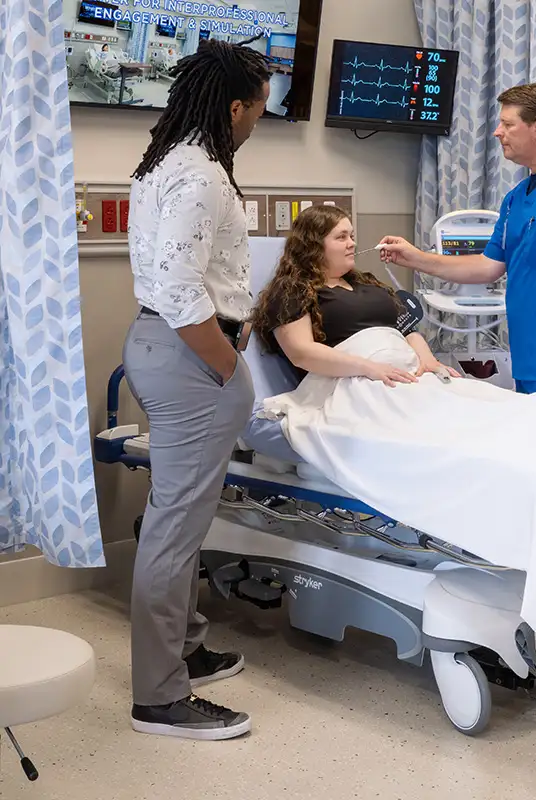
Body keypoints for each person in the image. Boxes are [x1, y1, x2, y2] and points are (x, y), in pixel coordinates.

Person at [122, 38, 271, 741]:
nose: (257, 122)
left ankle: (185, 647)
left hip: (166, 350)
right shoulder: (203, 175)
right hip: (188, 360)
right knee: (174, 532)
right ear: (235, 106)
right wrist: (224, 365)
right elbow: (183, 291)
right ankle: (159, 696)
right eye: (259, 109)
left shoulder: (164, 163)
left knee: (177, 520)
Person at [379, 82, 536, 394]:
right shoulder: (516, 198)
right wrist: (415, 258)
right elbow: (489, 267)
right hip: (532, 357)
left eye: (508, 124)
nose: (497, 132)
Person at [250, 205, 459, 385]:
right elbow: (301, 352)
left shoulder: (366, 283)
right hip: (352, 381)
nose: (352, 243)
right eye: (341, 237)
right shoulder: (292, 290)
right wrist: (369, 368)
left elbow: (406, 329)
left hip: (405, 374)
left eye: (351, 236)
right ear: (312, 246)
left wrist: (429, 360)